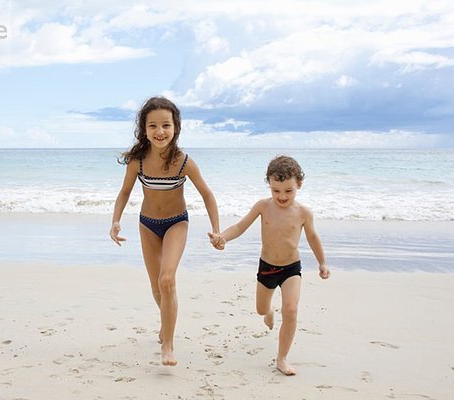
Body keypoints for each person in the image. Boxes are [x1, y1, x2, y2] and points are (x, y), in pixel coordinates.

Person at [110, 96, 220, 366]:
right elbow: (124, 192)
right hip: (147, 225)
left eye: (166, 125)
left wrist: (216, 230)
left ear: (176, 128)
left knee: (167, 280)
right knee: (157, 288)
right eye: (153, 126)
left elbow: (207, 194)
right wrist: (115, 221)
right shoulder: (138, 162)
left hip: (176, 223)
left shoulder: (184, 162)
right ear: (144, 129)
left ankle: (168, 344)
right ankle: (166, 323)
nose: (160, 131)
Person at [208, 155, 330, 376]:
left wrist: (322, 263)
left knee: (291, 310)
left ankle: (282, 358)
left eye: (288, 191)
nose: (282, 196)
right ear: (269, 185)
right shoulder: (263, 206)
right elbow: (239, 226)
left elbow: (313, 237)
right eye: (276, 191)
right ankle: (269, 312)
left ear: (299, 185)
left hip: (291, 268)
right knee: (261, 309)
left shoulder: (304, 213)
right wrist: (222, 237)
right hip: (267, 267)